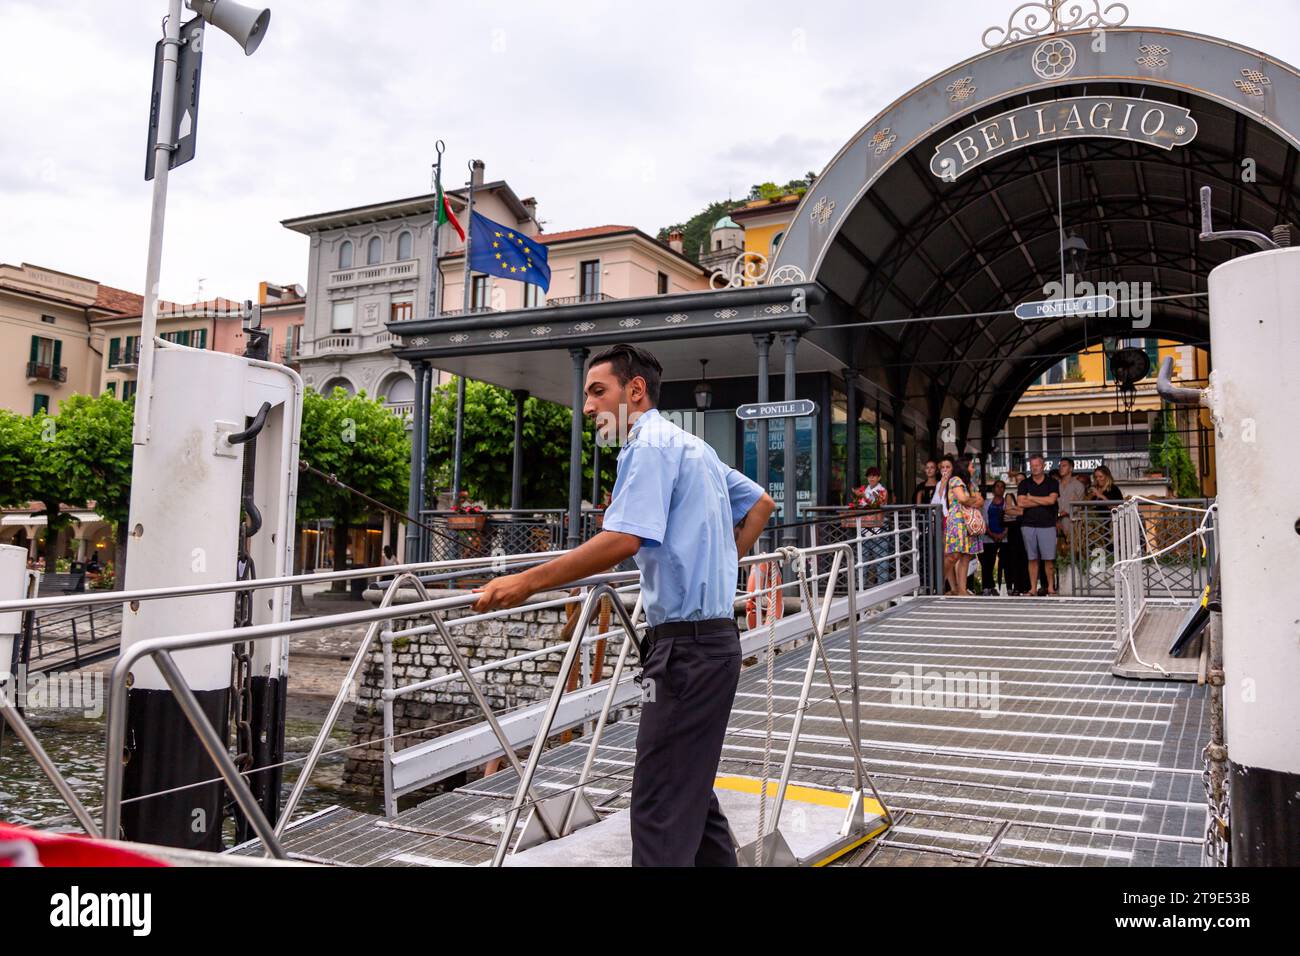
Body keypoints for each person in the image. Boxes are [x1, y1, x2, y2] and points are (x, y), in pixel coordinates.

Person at [471, 343, 776, 867]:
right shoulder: (692, 447)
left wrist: (526, 582)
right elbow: (762, 503)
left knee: (659, 802)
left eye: (597, 392)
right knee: (691, 794)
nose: (588, 407)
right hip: (712, 642)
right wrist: (719, 561)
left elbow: (622, 540)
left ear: (634, 391)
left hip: (685, 651)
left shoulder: (648, 445)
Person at [1016, 453, 1061, 595]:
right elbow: (1021, 502)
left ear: (1043, 466)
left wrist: (1032, 498)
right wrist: (1043, 499)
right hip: (1028, 525)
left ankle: (1050, 588)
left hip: (1047, 524)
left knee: (1049, 559)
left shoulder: (1052, 482)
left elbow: (1052, 501)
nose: (1034, 468)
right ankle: (1033, 589)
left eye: (1037, 465)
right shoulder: (1024, 483)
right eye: (1032, 466)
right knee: (1032, 558)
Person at [941, 454, 983, 596]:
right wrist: (973, 500)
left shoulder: (970, 483)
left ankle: (962, 590)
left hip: (968, 523)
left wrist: (971, 500)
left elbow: (981, 501)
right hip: (957, 522)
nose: (973, 469)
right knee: (954, 556)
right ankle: (939, 583)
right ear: (965, 467)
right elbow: (963, 498)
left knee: (965, 556)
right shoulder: (955, 480)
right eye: (971, 466)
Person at [855, 466, 892, 585]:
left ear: (879, 477)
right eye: (869, 476)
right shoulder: (864, 490)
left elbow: (875, 504)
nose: (871, 478)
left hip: (879, 529)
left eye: (874, 476)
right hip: (864, 529)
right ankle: (860, 589)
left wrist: (862, 497)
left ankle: (883, 590)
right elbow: (859, 506)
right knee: (862, 561)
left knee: (881, 561)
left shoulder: (882, 490)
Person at [979, 479, 1008, 595]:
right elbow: (983, 520)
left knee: (1005, 563)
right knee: (987, 563)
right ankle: (987, 587)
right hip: (988, 537)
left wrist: (1003, 534)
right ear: (993, 489)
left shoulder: (1008, 503)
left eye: (1002, 487)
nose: (999, 488)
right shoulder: (986, 503)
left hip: (1004, 537)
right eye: (997, 486)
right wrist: (992, 534)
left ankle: (1004, 587)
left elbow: (1010, 519)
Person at [1055, 457, 1086, 554]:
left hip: (1073, 522)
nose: (1061, 468)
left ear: (1071, 468)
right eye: (1060, 466)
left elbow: (1080, 504)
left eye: (1064, 466)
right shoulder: (1055, 485)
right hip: (1057, 523)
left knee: (1074, 550)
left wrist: (1066, 512)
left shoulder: (1078, 485)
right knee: (1058, 551)